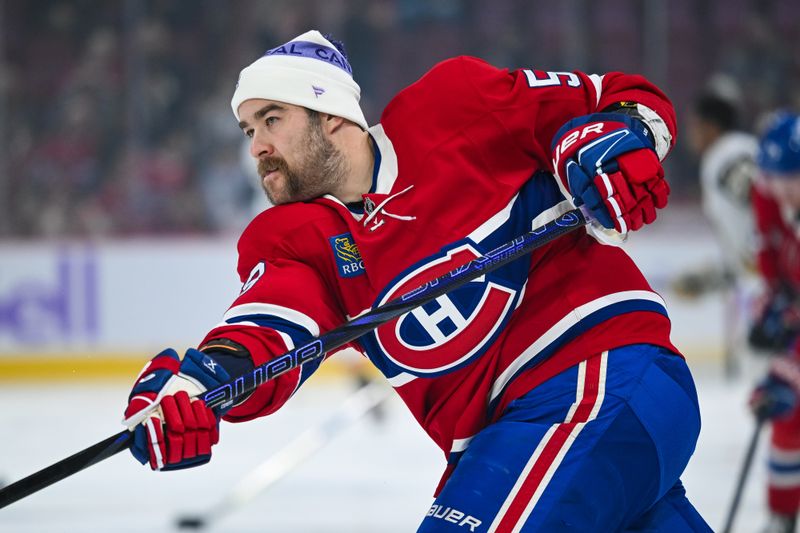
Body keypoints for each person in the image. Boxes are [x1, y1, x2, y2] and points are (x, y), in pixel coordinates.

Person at [121, 30, 711, 531]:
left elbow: (625, 99)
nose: (258, 146)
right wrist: (200, 389)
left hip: (600, 377)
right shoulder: (295, 239)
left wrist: (607, 142)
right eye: (249, 129)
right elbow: (267, 330)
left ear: (331, 117)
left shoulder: (454, 105)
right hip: (531, 440)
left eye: (271, 119)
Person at [676, 90, 760, 376]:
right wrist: (713, 279)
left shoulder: (727, 153)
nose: (689, 134)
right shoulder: (732, 152)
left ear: (709, 126)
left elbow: (764, 198)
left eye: (693, 125)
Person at [746, 112, 800, 533]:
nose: (778, 189)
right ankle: (781, 518)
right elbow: (777, 268)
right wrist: (773, 304)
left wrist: (789, 372)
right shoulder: (776, 200)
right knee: (788, 421)